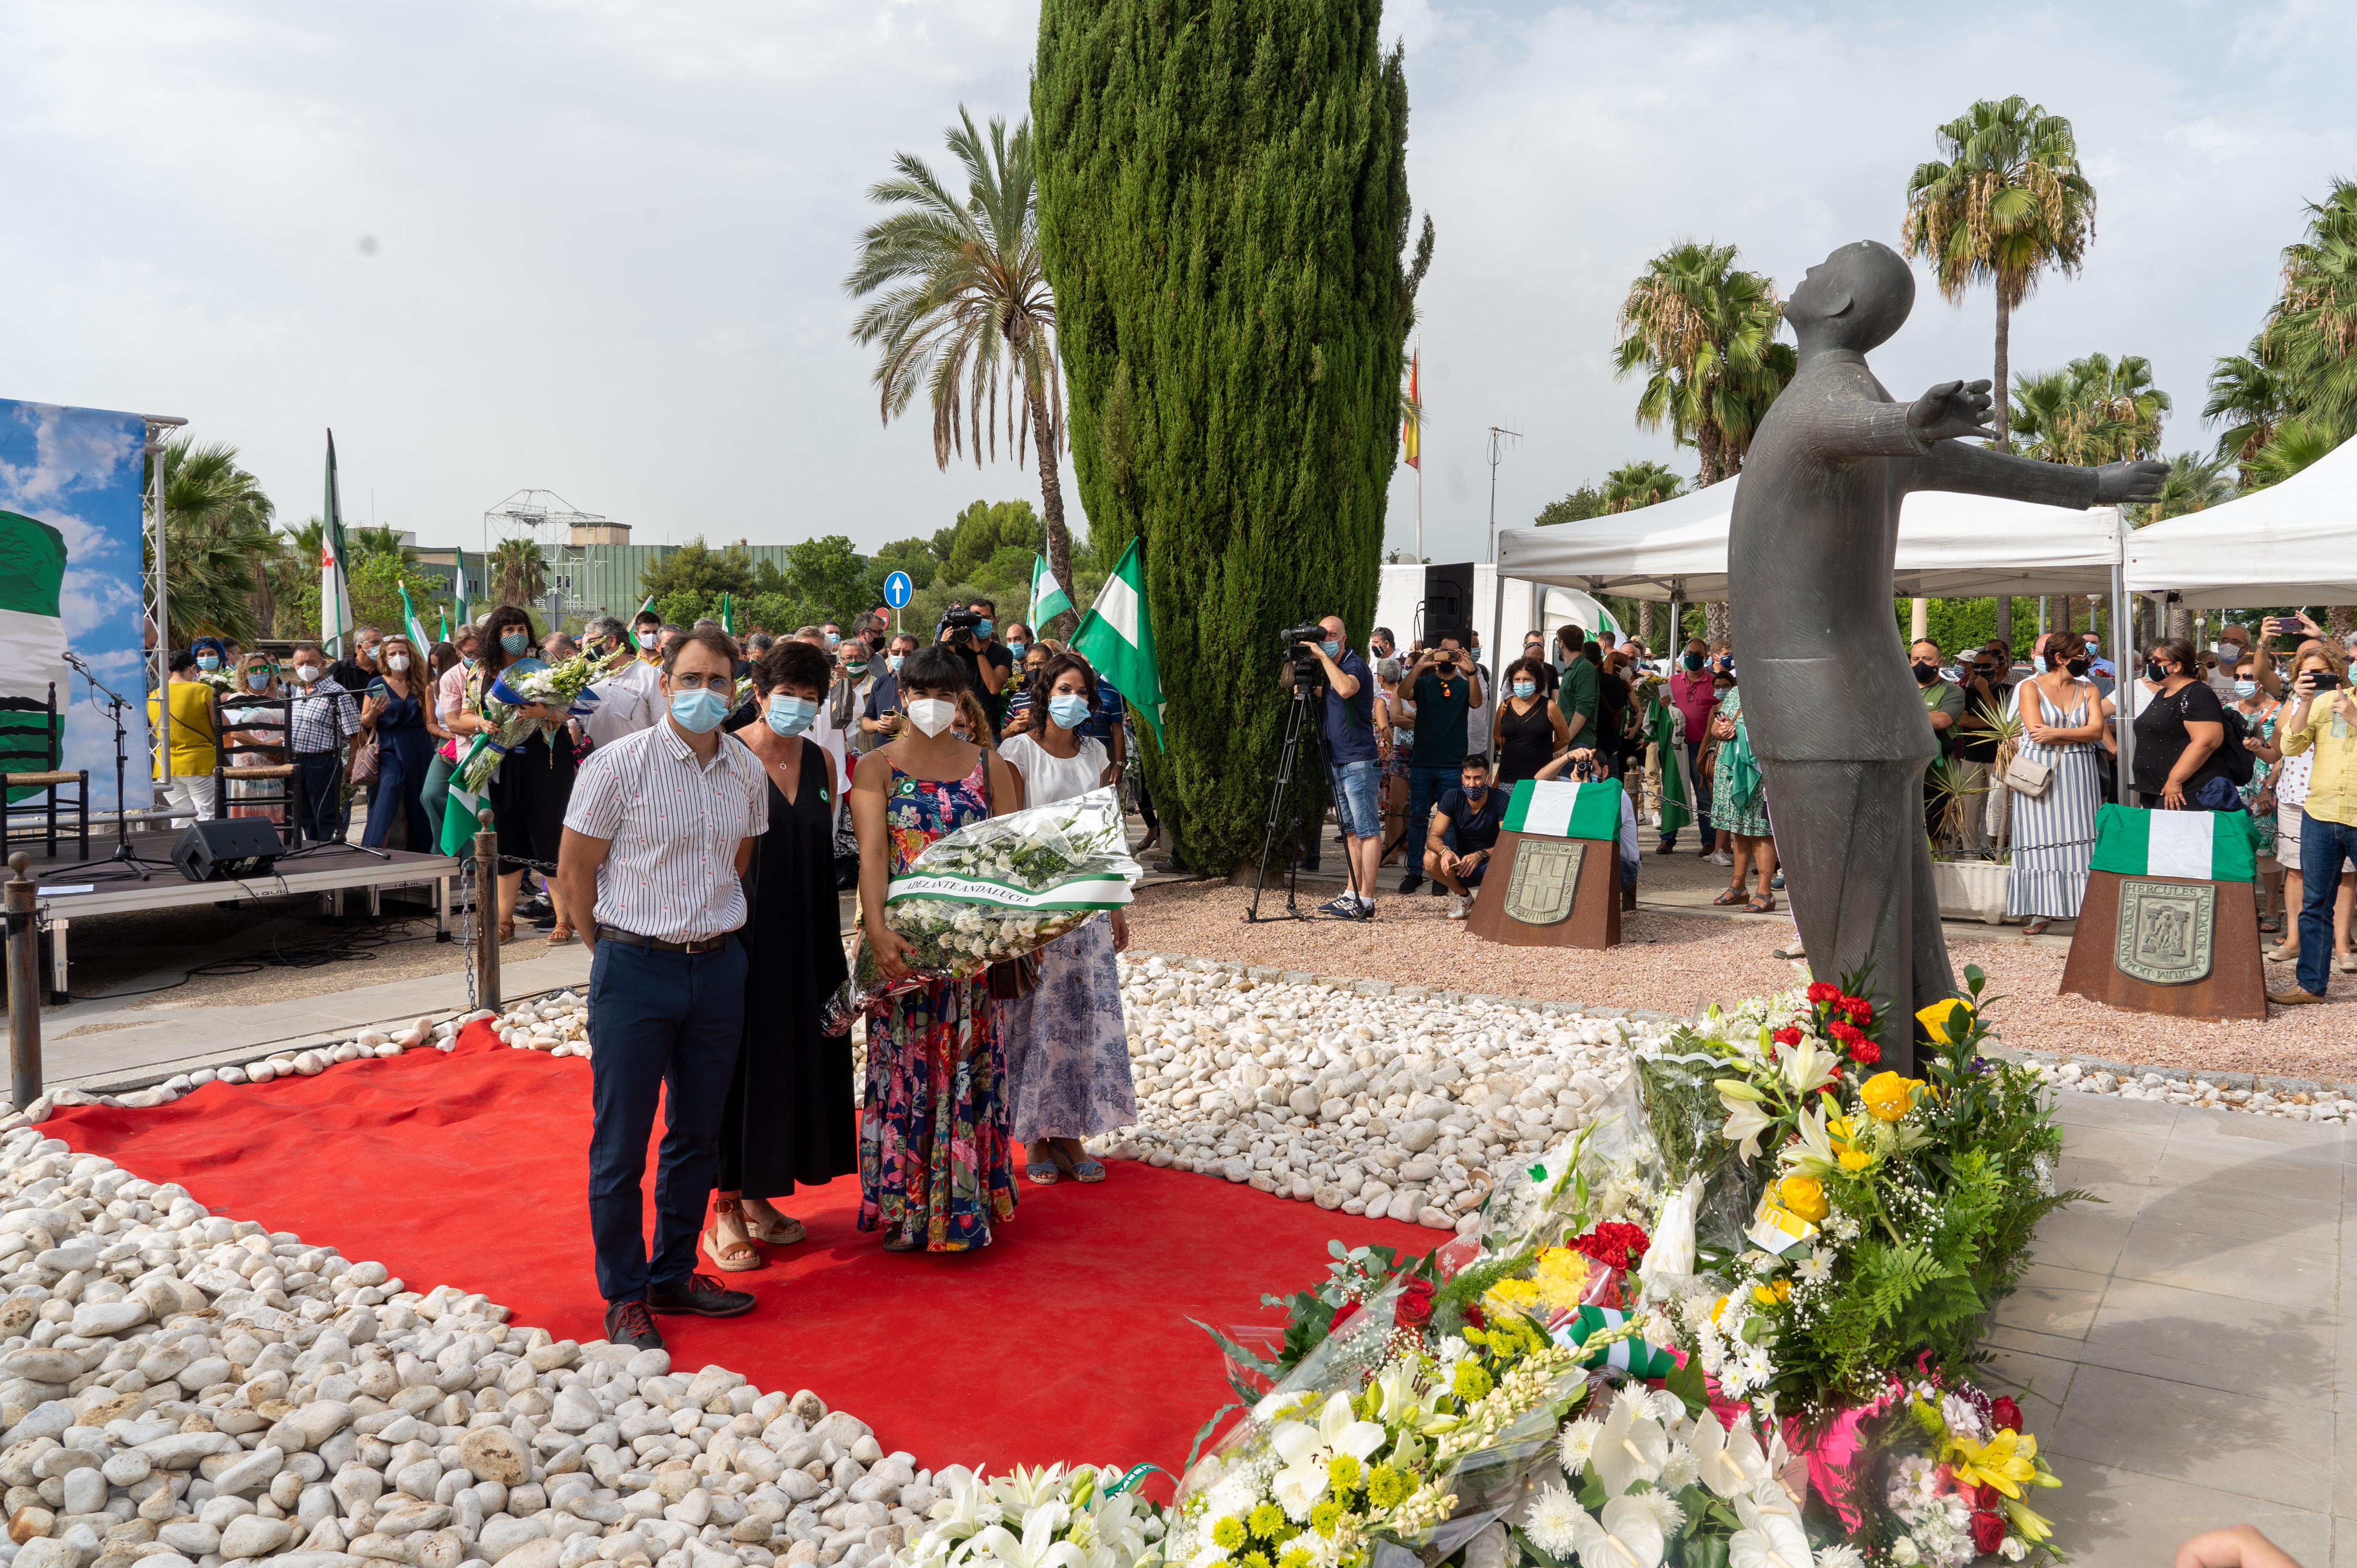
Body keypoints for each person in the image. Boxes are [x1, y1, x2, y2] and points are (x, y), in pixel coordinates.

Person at [555, 624, 767, 1348]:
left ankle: (673, 1271)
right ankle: (624, 1293)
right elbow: (576, 873)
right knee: (621, 1142)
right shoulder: (617, 765)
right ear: (664, 681)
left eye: (719, 680)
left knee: (696, 1134)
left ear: (736, 689)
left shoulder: (745, 768)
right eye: (691, 677)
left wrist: (702, 933)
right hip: (634, 968)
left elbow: (736, 859)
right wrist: (615, 949)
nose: (705, 692)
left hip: (717, 967)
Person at [849, 643, 1024, 1251]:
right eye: (920, 694)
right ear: (902, 698)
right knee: (904, 1072)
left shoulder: (989, 765)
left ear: (960, 702)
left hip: (972, 957)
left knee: (970, 1070)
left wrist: (1012, 932)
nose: (931, 705)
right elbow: (873, 854)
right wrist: (876, 929)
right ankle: (905, 1205)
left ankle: (967, 1199)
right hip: (904, 951)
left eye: (944, 695)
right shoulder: (875, 768)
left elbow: (1011, 857)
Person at [698, 639, 854, 1271]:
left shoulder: (821, 761)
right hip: (740, 939)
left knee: (790, 1063)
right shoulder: (727, 755)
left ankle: (761, 1195)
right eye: (785, 693)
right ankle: (724, 1207)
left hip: (811, 938)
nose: (796, 706)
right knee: (736, 1070)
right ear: (758, 694)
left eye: (809, 698)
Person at [999, 651, 1137, 1182]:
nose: (1073, 700)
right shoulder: (1017, 752)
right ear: (1044, 690)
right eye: (1064, 689)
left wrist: (1116, 905)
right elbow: (1008, 838)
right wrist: (1017, 913)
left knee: (1081, 1020)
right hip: (1035, 907)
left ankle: (1070, 1133)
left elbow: (1107, 836)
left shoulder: (1096, 752)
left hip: (1087, 909)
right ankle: (1034, 1137)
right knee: (1036, 1019)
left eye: (1082, 692)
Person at [456, 605, 579, 942]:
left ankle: (564, 919)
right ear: (495, 635)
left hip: (545, 761)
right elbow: (465, 714)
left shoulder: (546, 661)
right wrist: (481, 722)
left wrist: (545, 711)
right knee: (508, 840)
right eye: (508, 630)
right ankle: (505, 921)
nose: (516, 636)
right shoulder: (481, 670)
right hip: (501, 761)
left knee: (548, 838)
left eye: (521, 629)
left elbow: (570, 708)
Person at [2004, 633, 2111, 935]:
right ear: (2061, 658)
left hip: (2080, 771)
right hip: (2039, 770)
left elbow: (2096, 731)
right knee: (2037, 838)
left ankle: (2084, 910)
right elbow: (2035, 731)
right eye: (2079, 653)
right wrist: (2072, 734)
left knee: (2082, 837)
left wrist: (2057, 734)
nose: (2085, 658)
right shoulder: (2029, 686)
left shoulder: (2089, 688)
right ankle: (2040, 910)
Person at [1278, 616, 1382, 919]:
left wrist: (1322, 655)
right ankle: (1351, 893)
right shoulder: (1333, 669)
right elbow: (1324, 690)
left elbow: (1348, 689)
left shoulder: (1354, 664)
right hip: (1337, 759)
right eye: (1324, 635)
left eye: (1332, 635)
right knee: (1350, 831)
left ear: (1344, 638)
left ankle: (1367, 900)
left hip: (1358, 760)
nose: (1327, 639)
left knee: (1367, 831)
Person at [2269, 649, 2357, 1006]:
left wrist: (2354, 716)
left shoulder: (2350, 704)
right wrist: (2302, 702)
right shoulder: (2323, 703)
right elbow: (2290, 745)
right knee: (2314, 903)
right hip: (2320, 811)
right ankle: (2311, 986)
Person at [1395, 637, 1473, 896]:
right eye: (1445, 652)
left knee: (1449, 821)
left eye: (1454, 652)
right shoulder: (1425, 683)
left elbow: (1477, 702)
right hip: (1423, 763)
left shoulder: (1464, 685)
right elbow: (1403, 694)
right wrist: (1419, 666)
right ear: (1436, 654)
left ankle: (1444, 873)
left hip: (1452, 764)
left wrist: (1470, 670)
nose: (1449, 657)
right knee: (1418, 819)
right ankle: (1415, 872)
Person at [2133, 638, 2238, 812]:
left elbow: (2207, 741)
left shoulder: (2197, 694)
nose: (2152, 664)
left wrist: (2175, 780)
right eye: (2151, 660)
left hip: (2184, 792)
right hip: (2156, 790)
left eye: (2158, 661)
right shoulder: (2164, 694)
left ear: (2177, 666)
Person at [1706, 669, 1777, 911]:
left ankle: (1765, 892)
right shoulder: (1735, 693)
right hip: (1732, 770)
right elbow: (1716, 729)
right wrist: (1721, 732)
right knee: (1739, 827)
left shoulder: (1775, 692)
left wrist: (1742, 734)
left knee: (1761, 829)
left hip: (1759, 771)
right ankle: (1738, 887)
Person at [358, 634, 436, 851]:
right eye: (393, 653)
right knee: (390, 788)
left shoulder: (422, 683)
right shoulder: (378, 684)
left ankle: (421, 853)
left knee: (421, 797)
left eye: (403, 653)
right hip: (389, 746)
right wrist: (373, 712)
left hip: (420, 745)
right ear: (385, 657)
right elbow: (365, 721)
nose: (398, 657)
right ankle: (373, 848)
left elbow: (432, 718)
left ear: (411, 656)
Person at [286, 642, 360, 845]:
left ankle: (328, 852)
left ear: (323, 664)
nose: (306, 667)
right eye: (301, 663)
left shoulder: (337, 693)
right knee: (306, 816)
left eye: (311, 662)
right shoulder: (299, 693)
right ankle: (312, 849)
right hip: (297, 762)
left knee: (324, 813)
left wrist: (352, 764)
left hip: (323, 761)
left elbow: (355, 733)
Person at [2232, 654, 2285, 931]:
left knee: (2266, 851)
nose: (2241, 682)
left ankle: (2273, 911)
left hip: (2265, 785)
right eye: (2238, 677)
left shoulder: (2280, 710)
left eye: (2248, 676)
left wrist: (2267, 788)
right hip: (2233, 789)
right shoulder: (2227, 710)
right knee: (2237, 849)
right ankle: (2243, 906)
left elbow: (2283, 754)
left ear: (2261, 679)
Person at [147, 651, 220, 828]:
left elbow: (157, 729)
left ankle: (184, 853)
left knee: (180, 816)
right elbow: (221, 725)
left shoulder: (155, 695)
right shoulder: (202, 690)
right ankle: (210, 853)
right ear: (193, 668)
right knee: (207, 814)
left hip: (166, 764)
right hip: (199, 762)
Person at [1425, 757, 1504, 918]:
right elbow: (1433, 837)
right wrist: (1445, 851)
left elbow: (1508, 844)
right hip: (1461, 863)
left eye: (1478, 778)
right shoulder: (1452, 797)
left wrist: (1481, 855)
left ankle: (1492, 902)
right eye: (1468, 778)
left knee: (1489, 915)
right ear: (1462, 778)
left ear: (1488, 779)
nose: (1472, 785)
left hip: (1493, 863)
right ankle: (1463, 896)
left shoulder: (1501, 800)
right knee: (1430, 858)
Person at [1951, 645, 2008, 854]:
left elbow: (2002, 720)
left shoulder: (2006, 691)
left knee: (1998, 807)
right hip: (1971, 755)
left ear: (1996, 666)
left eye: (1987, 666)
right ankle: (1970, 853)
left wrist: (1985, 690)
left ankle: (1998, 851)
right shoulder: (1968, 691)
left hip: (1998, 757)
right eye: (1977, 666)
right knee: (1970, 807)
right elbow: (1961, 719)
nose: (1982, 670)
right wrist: (1991, 722)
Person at [221, 652, 288, 827]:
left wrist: (280, 742)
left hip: (280, 759)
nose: (259, 673)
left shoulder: (283, 695)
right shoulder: (235, 699)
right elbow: (236, 733)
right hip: (249, 761)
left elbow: (295, 725)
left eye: (264, 668)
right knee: (250, 805)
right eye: (254, 669)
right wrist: (267, 748)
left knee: (280, 804)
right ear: (245, 674)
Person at [1664, 638, 1717, 855]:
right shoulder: (1671, 681)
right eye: (1689, 653)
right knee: (1673, 792)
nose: (1692, 656)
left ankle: (1709, 841)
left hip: (1702, 748)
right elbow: (1663, 712)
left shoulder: (1714, 683)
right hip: (1676, 746)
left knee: (1704, 796)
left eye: (1697, 653)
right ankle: (1668, 838)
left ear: (1705, 658)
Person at [583, 615, 661, 748]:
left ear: (612, 641)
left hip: (636, 764)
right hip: (593, 762)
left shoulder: (648, 675)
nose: (587, 650)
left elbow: (661, 725)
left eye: (592, 642)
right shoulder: (588, 676)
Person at [1494, 656, 1569, 789]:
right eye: (1517, 680)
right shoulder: (1505, 706)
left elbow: (1564, 739)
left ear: (1537, 681)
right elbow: (1497, 735)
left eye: (1527, 679)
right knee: (1509, 810)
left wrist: (1542, 750)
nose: (1522, 683)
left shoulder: (1550, 707)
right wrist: (1515, 749)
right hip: (1508, 777)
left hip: (1540, 778)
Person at [419, 641, 464, 838]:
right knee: (430, 794)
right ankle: (445, 846)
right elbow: (431, 723)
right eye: (434, 667)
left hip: (473, 744)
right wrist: (448, 734)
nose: (438, 671)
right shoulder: (432, 687)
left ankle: (471, 851)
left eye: (441, 666)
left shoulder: (469, 681)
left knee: (469, 798)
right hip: (447, 746)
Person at [1554, 624, 1598, 758]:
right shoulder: (1573, 668)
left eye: (1557, 641)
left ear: (1562, 644)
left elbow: (1583, 709)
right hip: (1569, 742)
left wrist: (1565, 741)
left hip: (1577, 744)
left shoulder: (1584, 669)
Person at [328, 625, 382, 699]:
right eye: (376, 642)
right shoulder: (340, 670)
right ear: (360, 647)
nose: (381, 646)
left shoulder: (387, 669)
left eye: (383, 643)